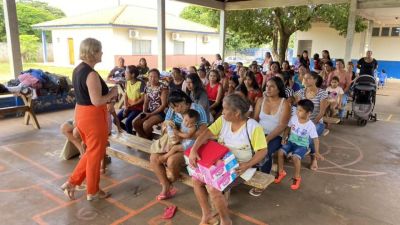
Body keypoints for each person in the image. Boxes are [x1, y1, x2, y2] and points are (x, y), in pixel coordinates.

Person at [189, 94, 268, 225]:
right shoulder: (223, 120)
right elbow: (206, 133)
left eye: (225, 109)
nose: (222, 111)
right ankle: (207, 214)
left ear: (236, 113)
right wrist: (194, 150)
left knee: (213, 188)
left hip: (240, 167)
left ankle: (226, 220)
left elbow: (263, 151)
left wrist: (248, 164)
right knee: (195, 179)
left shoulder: (253, 127)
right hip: (219, 162)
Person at [61, 38, 118, 201]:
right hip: (93, 117)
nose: (102, 53)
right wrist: (113, 93)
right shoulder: (90, 73)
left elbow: (81, 98)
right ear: (93, 52)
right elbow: (97, 101)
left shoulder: (78, 69)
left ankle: (72, 183)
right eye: (100, 50)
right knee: (95, 154)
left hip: (83, 114)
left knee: (92, 152)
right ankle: (92, 191)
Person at [151, 90, 208, 201]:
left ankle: (171, 180)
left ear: (184, 100)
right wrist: (169, 127)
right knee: (153, 158)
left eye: (177, 106)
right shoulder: (172, 111)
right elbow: (165, 124)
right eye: (172, 107)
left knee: (171, 161)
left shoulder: (196, 109)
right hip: (173, 141)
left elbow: (203, 132)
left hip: (192, 144)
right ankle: (166, 186)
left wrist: (182, 135)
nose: (175, 109)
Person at [249, 76, 291, 196]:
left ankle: (263, 179)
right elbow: (255, 119)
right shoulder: (261, 100)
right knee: (246, 147)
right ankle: (251, 173)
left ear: (279, 89)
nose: (268, 88)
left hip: (276, 135)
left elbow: (282, 125)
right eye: (267, 86)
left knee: (265, 152)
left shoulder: (285, 103)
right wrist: (252, 134)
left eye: (272, 86)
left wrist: (266, 139)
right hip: (260, 133)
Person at [274, 99, 323, 190]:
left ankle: (297, 177)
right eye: (297, 109)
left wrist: (317, 152)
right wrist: (284, 137)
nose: (297, 112)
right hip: (291, 142)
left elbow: (315, 139)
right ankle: (281, 172)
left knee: (295, 157)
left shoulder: (310, 125)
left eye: (300, 111)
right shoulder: (293, 118)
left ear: (308, 113)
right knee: (280, 152)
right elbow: (288, 127)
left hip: (302, 146)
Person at [294, 72, 328, 170]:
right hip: (302, 122)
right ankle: (312, 157)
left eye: (308, 78)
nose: (305, 80)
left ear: (315, 80)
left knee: (312, 132)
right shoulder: (301, 92)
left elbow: (321, 112)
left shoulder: (322, 93)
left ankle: (305, 153)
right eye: (304, 78)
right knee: (310, 136)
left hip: (317, 122)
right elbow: (295, 104)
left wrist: (309, 125)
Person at [133, 69, 168, 139]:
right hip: (149, 111)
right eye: (151, 76)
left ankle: (147, 139)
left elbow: (163, 105)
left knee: (146, 125)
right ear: (148, 77)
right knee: (135, 123)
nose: (153, 79)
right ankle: (145, 137)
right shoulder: (148, 87)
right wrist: (144, 112)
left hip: (161, 112)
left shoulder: (163, 88)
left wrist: (150, 114)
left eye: (155, 77)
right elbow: (146, 102)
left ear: (159, 78)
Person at [117, 65, 145, 134]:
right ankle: (130, 132)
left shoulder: (141, 83)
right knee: (116, 119)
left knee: (128, 122)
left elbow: (143, 99)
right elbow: (125, 95)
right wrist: (126, 106)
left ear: (133, 75)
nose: (124, 74)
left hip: (138, 108)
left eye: (126, 72)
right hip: (129, 107)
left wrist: (130, 105)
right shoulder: (127, 82)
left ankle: (130, 137)